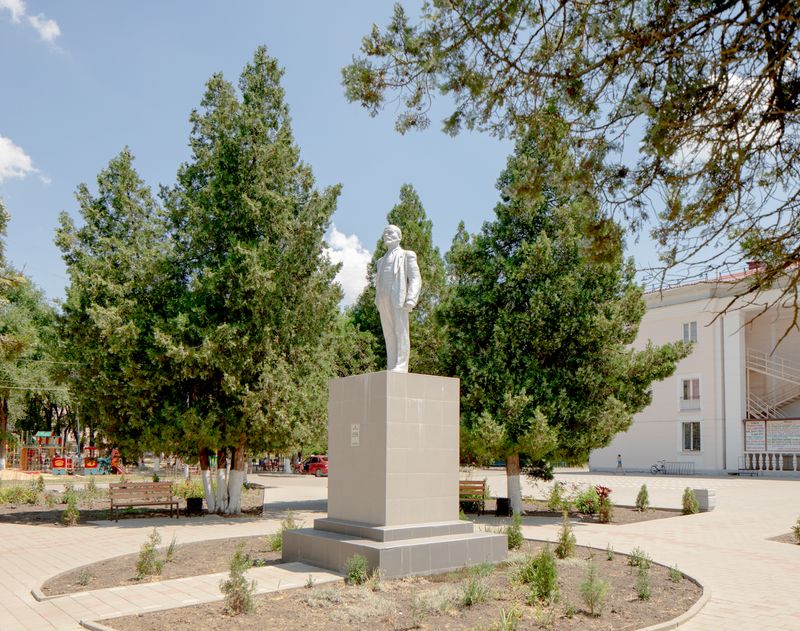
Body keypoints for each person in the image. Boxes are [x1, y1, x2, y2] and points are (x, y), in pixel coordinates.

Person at [374, 224, 422, 372]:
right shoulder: (380, 261)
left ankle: (401, 365)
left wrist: (411, 298)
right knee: (388, 333)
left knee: (400, 332)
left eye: (390, 233)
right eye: (385, 233)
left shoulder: (407, 255)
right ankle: (392, 364)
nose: (386, 235)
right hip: (383, 300)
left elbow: (416, 278)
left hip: (399, 300)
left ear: (399, 237)